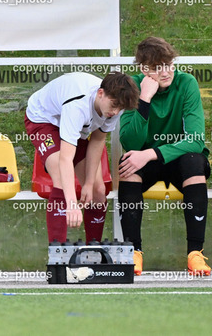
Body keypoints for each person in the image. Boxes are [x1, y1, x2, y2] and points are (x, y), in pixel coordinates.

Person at [118, 37, 211, 276]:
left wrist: (152, 153)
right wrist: (144, 100)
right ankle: (133, 251)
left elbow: (195, 140)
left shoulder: (186, 82)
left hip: (178, 160)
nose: (166, 72)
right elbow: (130, 142)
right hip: (146, 164)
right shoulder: (133, 86)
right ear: (144, 70)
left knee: (195, 161)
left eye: (168, 65)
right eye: (157, 68)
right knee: (127, 164)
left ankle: (195, 253)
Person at [24, 72, 139, 244]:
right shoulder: (78, 106)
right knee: (61, 181)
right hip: (44, 121)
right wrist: (72, 204)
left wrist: (89, 183)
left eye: (120, 108)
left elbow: (98, 140)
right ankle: (57, 254)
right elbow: (65, 159)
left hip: (74, 125)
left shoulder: (115, 106)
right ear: (100, 93)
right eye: (114, 105)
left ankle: (93, 251)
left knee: (98, 191)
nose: (115, 112)